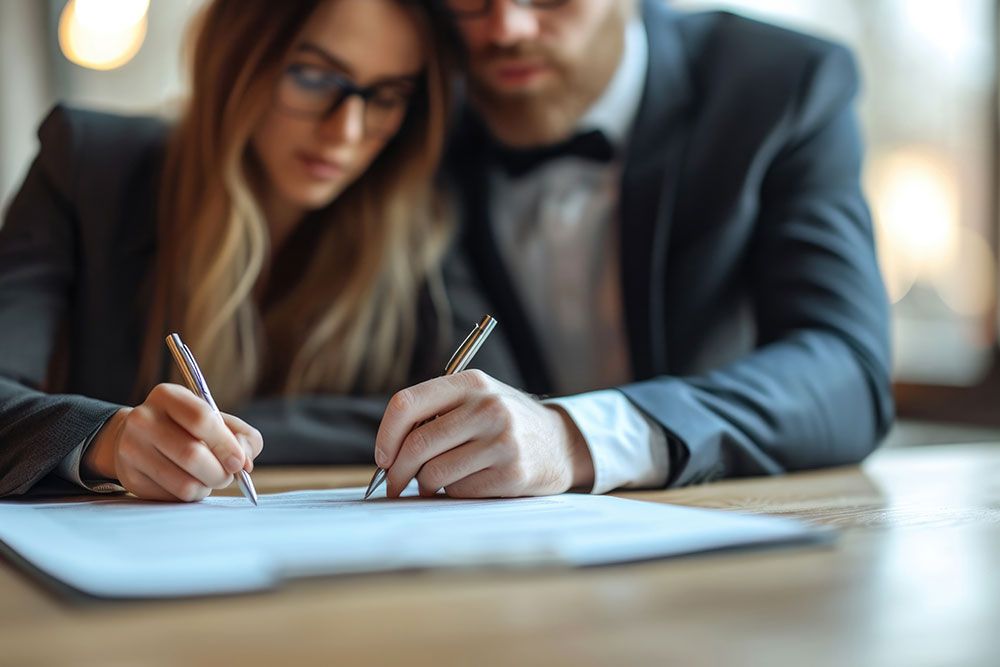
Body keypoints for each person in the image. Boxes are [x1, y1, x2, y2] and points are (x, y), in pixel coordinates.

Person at [372, 0, 895, 498]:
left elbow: (847, 372)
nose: (507, 28)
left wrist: (576, 438)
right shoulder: (407, 115)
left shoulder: (780, 85)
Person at [0, 0, 458, 500]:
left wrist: (237, 432)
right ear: (237, 55)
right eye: (312, 77)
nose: (346, 131)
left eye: (387, 96)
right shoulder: (87, 166)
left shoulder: (425, 223)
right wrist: (105, 437)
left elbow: (475, 403)